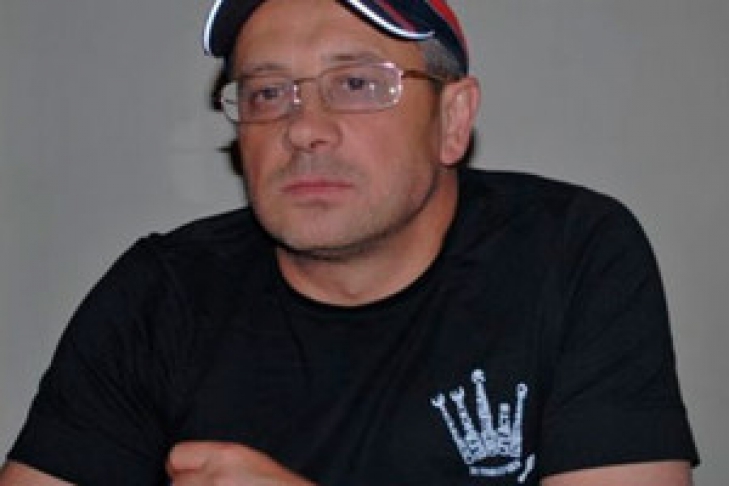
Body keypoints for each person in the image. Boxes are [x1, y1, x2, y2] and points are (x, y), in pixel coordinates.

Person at [0, 0, 699, 484]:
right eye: (268, 93)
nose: (303, 128)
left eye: (357, 84)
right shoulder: (163, 294)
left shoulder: (569, 253)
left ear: (452, 120)